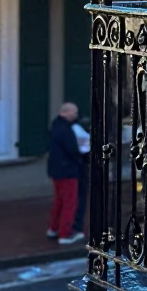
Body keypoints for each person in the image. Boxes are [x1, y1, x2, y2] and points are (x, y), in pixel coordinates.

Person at [47, 103, 85, 245]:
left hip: (55, 170)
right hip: (68, 171)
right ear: (67, 113)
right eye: (74, 113)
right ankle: (65, 233)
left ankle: (54, 228)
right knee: (70, 202)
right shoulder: (66, 130)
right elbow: (73, 150)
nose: (76, 115)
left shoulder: (55, 126)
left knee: (59, 201)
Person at [71, 118, 91, 236]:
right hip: (78, 169)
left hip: (75, 169)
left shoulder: (69, 128)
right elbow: (85, 148)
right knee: (79, 198)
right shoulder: (76, 130)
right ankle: (76, 226)